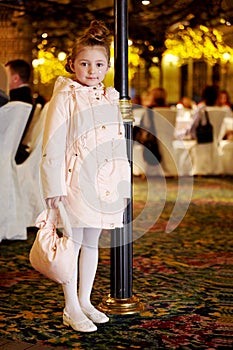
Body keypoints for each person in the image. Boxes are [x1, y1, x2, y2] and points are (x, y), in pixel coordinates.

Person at [40, 20, 131, 333]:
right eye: (84, 63)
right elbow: (52, 143)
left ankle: (85, 300)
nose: (92, 71)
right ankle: (70, 306)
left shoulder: (110, 97)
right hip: (74, 180)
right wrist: (54, 188)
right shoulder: (65, 97)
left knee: (92, 242)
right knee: (73, 243)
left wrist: (122, 183)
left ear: (107, 65)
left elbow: (118, 143)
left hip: (102, 184)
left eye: (99, 64)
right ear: (72, 63)